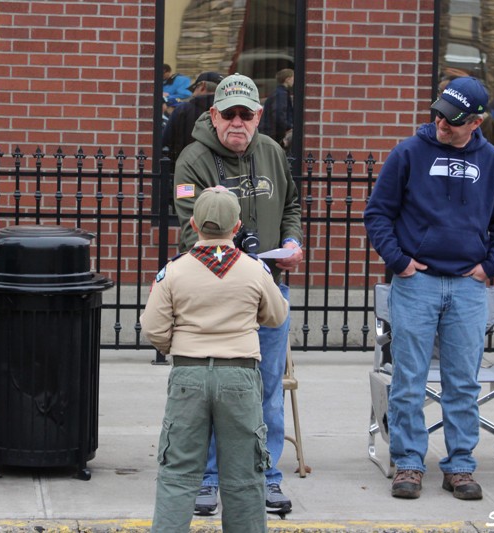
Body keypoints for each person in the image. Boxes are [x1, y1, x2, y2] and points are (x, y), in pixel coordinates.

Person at [364, 76, 494, 501]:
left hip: (469, 287)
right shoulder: (410, 152)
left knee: (462, 382)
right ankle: (410, 463)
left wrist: (490, 265)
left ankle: (460, 465)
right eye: (438, 113)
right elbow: (377, 213)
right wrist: (399, 261)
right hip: (418, 283)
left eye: (451, 120)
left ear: (476, 121)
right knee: (409, 379)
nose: (440, 123)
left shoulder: (491, 162)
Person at [172, 73, 304, 516]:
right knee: (215, 392)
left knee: (266, 392)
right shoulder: (192, 160)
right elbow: (193, 231)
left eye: (246, 114)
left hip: (269, 296)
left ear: (258, 116)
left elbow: (290, 206)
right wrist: (240, 262)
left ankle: (264, 477)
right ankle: (208, 479)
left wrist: (292, 243)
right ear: (214, 114)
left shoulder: (272, 152)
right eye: (229, 113)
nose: (238, 122)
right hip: (215, 300)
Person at [141, 186, 289, 533]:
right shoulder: (254, 270)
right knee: (244, 475)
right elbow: (277, 316)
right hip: (239, 375)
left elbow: (153, 327)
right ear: (237, 227)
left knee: (177, 471)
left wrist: (175, 345)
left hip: (189, 375)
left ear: (193, 223)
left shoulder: (174, 271)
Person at [162, 71, 223, 163]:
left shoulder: (183, 110)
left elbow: (165, 140)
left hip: (184, 168)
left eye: (194, 89)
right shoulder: (228, 112)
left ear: (202, 86)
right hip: (219, 171)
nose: (192, 94)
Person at [259, 68, 294, 150]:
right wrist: (289, 127)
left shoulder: (279, 92)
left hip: (271, 132)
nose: (293, 81)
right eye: (293, 78)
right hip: (273, 133)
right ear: (287, 79)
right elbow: (279, 115)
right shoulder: (281, 94)